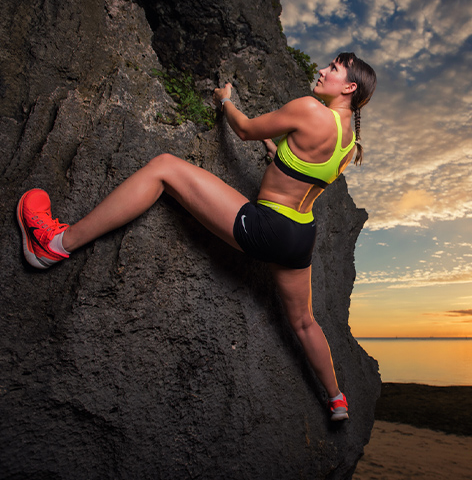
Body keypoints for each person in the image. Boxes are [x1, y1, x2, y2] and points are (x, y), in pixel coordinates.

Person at [16, 52, 377, 421]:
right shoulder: (350, 141)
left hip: (266, 226)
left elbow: (245, 129)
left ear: (349, 86)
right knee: (304, 322)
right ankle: (336, 399)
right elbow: (304, 169)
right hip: (301, 236)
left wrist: (225, 100)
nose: (322, 70)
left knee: (164, 168)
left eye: (333, 69)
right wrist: (277, 150)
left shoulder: (310, 110)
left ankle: (55, 244)